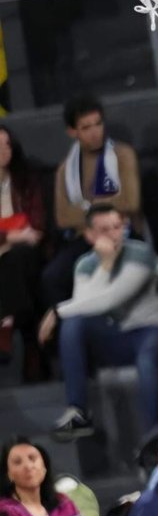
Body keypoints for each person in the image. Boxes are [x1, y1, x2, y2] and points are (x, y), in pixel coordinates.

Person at [41, 203, 158, 438]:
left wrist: (57, 311)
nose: (114, 234)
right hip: (117, 335)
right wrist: (105, 264)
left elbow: (110, 300)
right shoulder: (85, 264)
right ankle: (78, 411)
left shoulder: (139, 253)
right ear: (89, 235)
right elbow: (86, 305)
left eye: (118, 227)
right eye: (104, 229)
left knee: (147, 359)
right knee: (75, 323)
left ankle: (155, 437)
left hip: (151, 330)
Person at [53, 95, 141, 240]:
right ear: (72, 132)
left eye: (98, 124)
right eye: (86, 127)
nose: (95, 133)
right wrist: (103, 204)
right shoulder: (65, 169)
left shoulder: (122, 155)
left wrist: (85, 209)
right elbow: (63, 218)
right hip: (84, 238)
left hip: (122, 233)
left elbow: (130, 202)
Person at [0, 124, 47, 377]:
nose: (4, 151)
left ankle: (7, 325)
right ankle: (31, 344)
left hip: (25, 254)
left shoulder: (26, 180)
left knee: (15, 261)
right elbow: (22, 233)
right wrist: (13, 234)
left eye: (7, 144)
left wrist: (14, 238)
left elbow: (37, 229)